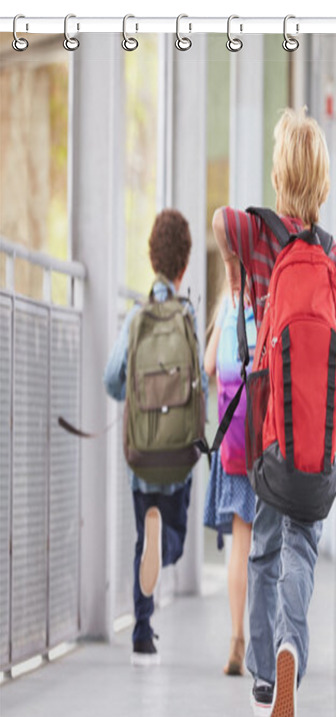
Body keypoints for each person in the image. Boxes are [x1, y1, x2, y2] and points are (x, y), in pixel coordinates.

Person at [211, 107, 336, 717]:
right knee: (303, 547)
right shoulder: (334, 254)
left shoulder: (259, 236)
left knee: (264, 547)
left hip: (269, 432)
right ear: (324, 185)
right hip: (321, 433)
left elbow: (219, 221)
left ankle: (264, 671)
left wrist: (236, 271)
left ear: (280, 177)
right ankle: (292, 650)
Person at [103, 209, 207, 666]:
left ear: (152, 258)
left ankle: (142, 635)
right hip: (179, 453)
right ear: (184, 265)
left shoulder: (136, 319)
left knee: (140, 540)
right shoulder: (186, 318)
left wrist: (135, 392)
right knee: (174, 538)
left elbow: (111, 380)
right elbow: (198, 387)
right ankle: (162, 544)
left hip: (141, 451)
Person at [202, 289, 257, 676]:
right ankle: (268, 642)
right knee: (269, 547)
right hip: (266, 445)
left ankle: (237, 637)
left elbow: (208, 365)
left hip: (234, 443)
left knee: (240, 545)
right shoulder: (268, 294)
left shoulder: (227, 304)